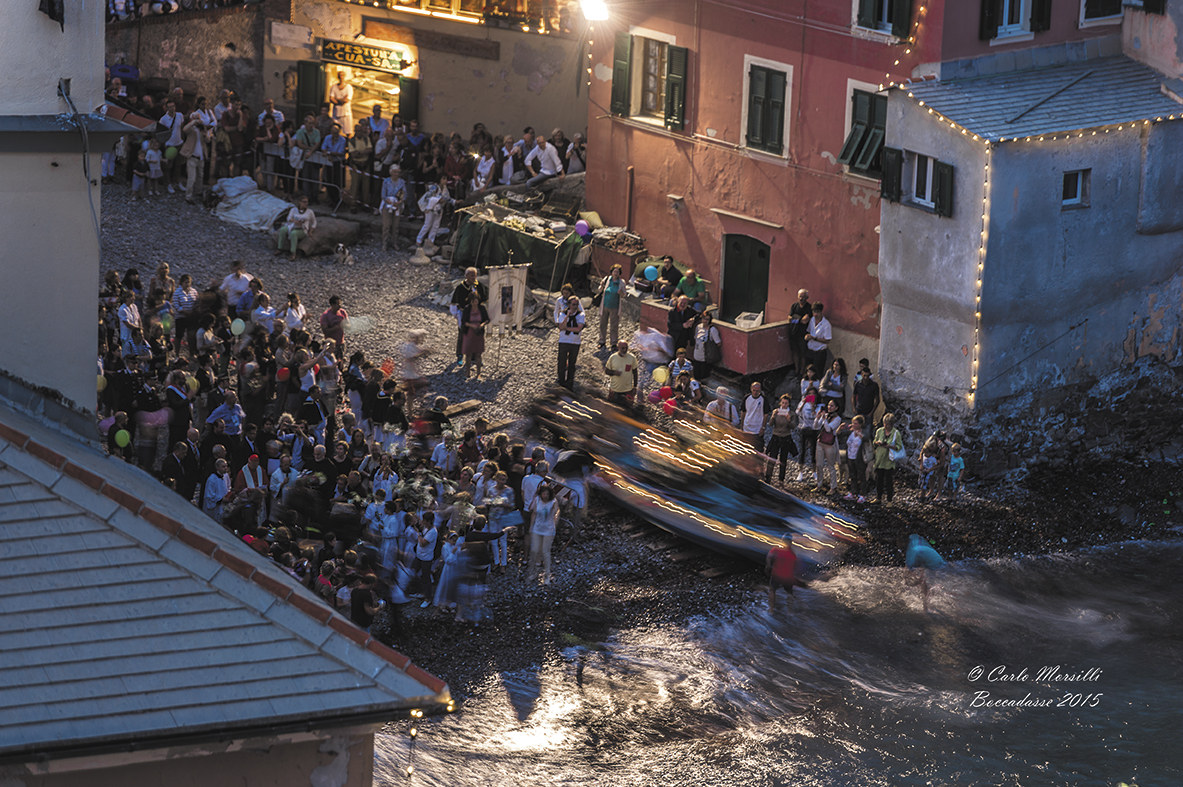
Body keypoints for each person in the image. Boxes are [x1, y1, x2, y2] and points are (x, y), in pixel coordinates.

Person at [450, 267, 488, 366]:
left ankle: (475, 358)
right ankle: (460, 356)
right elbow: (454, 303)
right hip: (464, 315)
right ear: (466, 276)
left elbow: (484, 299)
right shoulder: (460, 288)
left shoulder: (479, 286)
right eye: (472, 275)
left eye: (475, 275)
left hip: (476, 314)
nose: (474, 277)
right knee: (463, 335)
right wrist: (457, 315)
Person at [527, 483, 560, 584]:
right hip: (537, 528)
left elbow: (556, 513)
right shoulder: (537, 500)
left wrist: (554, 525)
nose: (545, 496)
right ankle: (533, 573)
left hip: (548, 530)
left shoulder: (553, 502)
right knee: (534, 550)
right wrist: (531, 527)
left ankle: (547, 575)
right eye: (543, 494)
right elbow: (534, 513)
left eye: (546, 494)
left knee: (545, 552)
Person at [905, 534, 945, 613]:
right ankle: (928, 604)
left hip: (929, 560)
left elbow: (909, 569)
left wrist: (910, 578)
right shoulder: (918, 539)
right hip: (936, 560)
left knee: (923, 580)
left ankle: (926, 606)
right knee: (927, 579)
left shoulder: (911, 551)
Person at [764, 393, 796, 485]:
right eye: (783, 403)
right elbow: (770, 424)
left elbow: (793, 427)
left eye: (786, 403)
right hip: (776, 436)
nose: (784, 405)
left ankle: (781, 480)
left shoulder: (791, 413)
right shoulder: (776, 411)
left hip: (786, 437)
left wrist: (789, 420)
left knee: (783, 460)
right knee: (772, 457)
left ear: (788, 404)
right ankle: (768, 477)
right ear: (780, 403)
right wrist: (773, 417)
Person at [766, 536, 804, 612]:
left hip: (776, 575)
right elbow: (795, 567)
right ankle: (790, 611)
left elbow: (769, 558)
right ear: (791, 542)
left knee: (772, 590)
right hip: (788, 577)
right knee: (789, 593)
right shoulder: (793, 554)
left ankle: (771, 610)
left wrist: (768, 566)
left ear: (783, 541)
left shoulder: (776, 550)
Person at [872, 412, 904, 503]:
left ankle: (889, 500)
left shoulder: (896, 433)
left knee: (889, 482)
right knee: (879, 480)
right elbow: (874, 442)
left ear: (892, 424)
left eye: (888, 424)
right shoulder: (879, 431)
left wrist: (889, 446)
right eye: (885, 423)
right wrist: (877, 443)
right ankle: (878, 498)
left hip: (889, 460)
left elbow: (899, 447)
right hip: (879, 459)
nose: (886, 426)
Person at [555, 294, 585, 390]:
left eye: (576, 304)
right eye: (573, 304)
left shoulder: (581, 315)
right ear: (569, 305)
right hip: (564, 341)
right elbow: (560, 327)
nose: (575, 307)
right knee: (561, 362)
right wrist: (567, 316)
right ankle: (561, 381)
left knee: (572, 363)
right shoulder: (563, 314)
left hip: (575, 342)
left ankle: (570, 382)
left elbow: (578, 329)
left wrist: (567, 328)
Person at [813, 398, 842, 494]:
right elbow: (815, 427)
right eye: (829, 405)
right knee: (819, 464)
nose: (829, 407)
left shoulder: (838, 419)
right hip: (820, 442)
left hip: (830, 444)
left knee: (831, 466)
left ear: (836, 408)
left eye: (832, 405)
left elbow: (829, 429)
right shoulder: (825, 415)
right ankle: (819, 484)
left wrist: (824, 420)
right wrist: (817, 418)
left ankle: (833, 487)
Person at [276, 195, 316, 260]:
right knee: (283, 230)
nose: (306, 203)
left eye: (307, 202)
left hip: (302, 229)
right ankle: (279, 248)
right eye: (304, 202)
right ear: (300, 202)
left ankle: (293, 253)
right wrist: (294, 221)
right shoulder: (294, 210)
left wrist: (311, 231)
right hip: (293, 226)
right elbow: (288, 218)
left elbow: (314, 222)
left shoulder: (310, 212)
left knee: (293, 233)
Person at [595, 264, 625, 350]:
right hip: (604, 305)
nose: (616, 273)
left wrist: (621, 293)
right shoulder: (607, 279)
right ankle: (602, 341)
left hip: (615, 307)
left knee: (614, 326)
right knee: (602, 324)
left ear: (619, 274)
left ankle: (613, 343)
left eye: (617, 272)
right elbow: (600, 290)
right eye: (614, 271)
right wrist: (601, 285)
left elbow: (624, 295)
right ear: (611, 272)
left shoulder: (621, 282)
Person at [460, 290, 489, 379]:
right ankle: (467, 372)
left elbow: (487, 319)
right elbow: (464, 321)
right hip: (469, 333)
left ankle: (478, 373)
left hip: (479, 333)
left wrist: (481, 325)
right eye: (473, 300)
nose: (475, 302)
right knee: (468, 354)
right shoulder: (467, 309)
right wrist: (471, 325)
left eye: (476, 300)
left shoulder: (482, 308)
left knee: (478, 354)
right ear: (470, 301)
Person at [379, 165, 407, 252]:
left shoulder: (402, 182)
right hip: (387, 204)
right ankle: (385, 243)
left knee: (396, 225)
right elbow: (383, 195)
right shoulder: (386, 181)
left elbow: (404, 194)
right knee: (386, 225)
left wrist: (400, 201)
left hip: (397, 205)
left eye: (398, 172)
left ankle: (395, 242)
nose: (396, 174)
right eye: (395, 172)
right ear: (391, 172)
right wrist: (388, 201)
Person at [795, 386, 820, 482]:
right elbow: (797, 412)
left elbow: (817, 418)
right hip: (804, 428)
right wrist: (804, 403)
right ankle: (800, 472)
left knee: (814, 451)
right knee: (802, 450)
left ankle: (814, 471)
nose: (811, 395)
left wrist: (814, 407)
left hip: (814, 429)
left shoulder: (819, 405)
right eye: (809, 393)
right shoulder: (802, 403)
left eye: (813, 393)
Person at [852, 358, 881, 439]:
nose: (866, 378)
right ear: (861, 375)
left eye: (867, 376)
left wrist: (872, 412)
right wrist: (854, 408)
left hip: (868, 411)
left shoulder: (874, 385)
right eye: (864, 376)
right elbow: (853, 396)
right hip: (859, 410)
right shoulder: (858, 384)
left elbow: (877, 400)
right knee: (856, 433)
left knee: (867, 434)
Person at [603, 340, 639, 406]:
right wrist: (614, 372)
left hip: (628, 390)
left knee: (628, 410)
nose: (625, 350)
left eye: (626, 348)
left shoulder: (632, 358)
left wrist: (635, 387)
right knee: (611, 407)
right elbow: (607, 371)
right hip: (614, 389)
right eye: (622, 348)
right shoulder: (613, 357)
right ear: (618, 348)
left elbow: (635, 373)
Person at [691, 309, 722, 381]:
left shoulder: (712, 330)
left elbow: (718, 343)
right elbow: (695, 338)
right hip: (697, 356)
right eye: (704, 319)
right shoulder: (698, 327)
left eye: (707, 319)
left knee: (704, 377)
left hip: (705, 358)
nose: (705, 321)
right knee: (696, 376)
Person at [843, 415, 868, 502]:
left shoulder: (864, 432)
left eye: (856, 423)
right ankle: (853, 492)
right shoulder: (850, 432)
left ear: (860, 424)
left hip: (859, 458)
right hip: (850, 456)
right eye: (853, 423)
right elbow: (839, 434)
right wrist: (841, 428)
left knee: (861, 476)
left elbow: (867, 438)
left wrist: (860, 434)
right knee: (852, 475)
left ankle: (862, 494)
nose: (853, 425)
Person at [740, 381, 769, 451]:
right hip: (747, 427)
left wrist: (763, 427)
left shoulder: (763, 399)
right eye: (754, 390)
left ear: (760, 390)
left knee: (757, 448)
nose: (755, 392)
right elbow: (743, 411)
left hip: (757, 428)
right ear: (751, 389)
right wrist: (741, 425)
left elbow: (766, 414)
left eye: (757, 391)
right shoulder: (747, 398)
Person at [804, 302, 832, 374]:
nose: (815, 314)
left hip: (819, 353)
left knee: (817, 373)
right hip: (810, 350)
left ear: (821, 312)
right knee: (808, 373)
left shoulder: (826, 324)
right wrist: (807, 336)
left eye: (817, 312)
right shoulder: (812, 320)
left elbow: (827, 340)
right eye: (814, 312)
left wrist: (814, 338)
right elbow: (809, 331)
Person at [788, 289, 812, 372]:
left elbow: (805, 321)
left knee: (803, 354)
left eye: (803, 297)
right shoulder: (794, 306)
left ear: (807, 297)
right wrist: (799, 320)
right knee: (795, 352)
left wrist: (795, 318)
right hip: (793, 333)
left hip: (803, 335)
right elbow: (790, 319)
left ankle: (802, 371)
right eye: (800, 296)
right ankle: (796, 370)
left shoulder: (809, 307)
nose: (801, 298)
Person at [328, 71, 354, 139]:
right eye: (340, 76)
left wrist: (337, 99)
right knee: (335, 131)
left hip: (346, 114)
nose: (341, 77)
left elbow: (346, 100)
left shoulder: (349, 87)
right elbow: (331, 99)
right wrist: (341, 100)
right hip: (336, 114)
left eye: (342, 75)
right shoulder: (334, 87)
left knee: (348, 132)